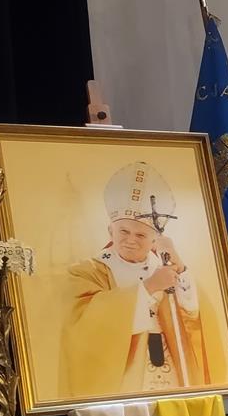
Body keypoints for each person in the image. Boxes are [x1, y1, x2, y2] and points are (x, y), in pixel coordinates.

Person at [60, 160, 212, 399]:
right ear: (110, 231)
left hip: (170, 371)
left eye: (141, 234)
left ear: (154, 240)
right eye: (124, 231)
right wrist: (149, 287)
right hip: (123, 378)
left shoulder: (165, 267)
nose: (131, 240)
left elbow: (192, 315)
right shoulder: (89, 271)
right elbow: (82, 328)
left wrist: (180, 268)